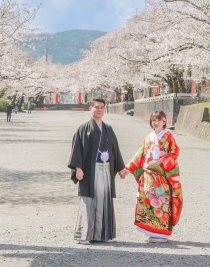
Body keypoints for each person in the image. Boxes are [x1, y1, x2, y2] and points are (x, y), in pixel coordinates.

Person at [68, 98, 128, 245]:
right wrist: (78, 168)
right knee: (89, 201)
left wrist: (121, 168)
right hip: (90, 170)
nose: (99, 109)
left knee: (104, 201)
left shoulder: (108, 129)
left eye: (102, 107)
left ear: (105, 110)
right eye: (96, 107)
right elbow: (77, 150)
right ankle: (84, 234)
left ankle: (104, 235)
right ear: (90, 109)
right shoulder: (83, 129)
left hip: (106, 169)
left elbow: (115, 150)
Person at [124, 110, 183, 243]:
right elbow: (140, 155)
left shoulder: (168, 136)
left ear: (164, 121)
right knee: (147, 202)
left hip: (161, 176)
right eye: (153, 120)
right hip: (147, 176)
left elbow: (174, 153)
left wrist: (160, 161)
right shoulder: (148, 137)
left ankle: (162, 233)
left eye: (158, 120)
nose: (155, 123)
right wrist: (128, 169)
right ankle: (151, 231)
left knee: (160, 203)